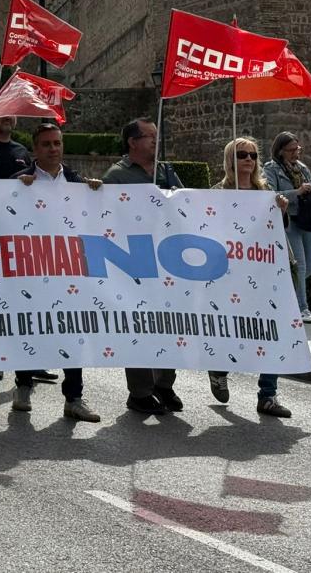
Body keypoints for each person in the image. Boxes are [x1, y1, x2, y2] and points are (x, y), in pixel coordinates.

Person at [7, 123, 103, 422]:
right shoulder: (18, 182)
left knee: (72, 331)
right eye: (46, 144)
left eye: (57, 143)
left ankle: (74, 397)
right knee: (31, 326)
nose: (53, 149)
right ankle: (23, 386)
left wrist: (97, 192)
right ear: (35, 150)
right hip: (31, 270)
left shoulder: (78, 181)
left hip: (68, 271)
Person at [102, 117, 184, 415]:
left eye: (156, 136)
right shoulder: (116, 176)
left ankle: (164, 383)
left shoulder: (166, 171)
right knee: (139, 326)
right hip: (134, 261)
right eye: (149, 136)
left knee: (171, 324)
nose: (154, 141)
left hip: (168, 262)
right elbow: (106, 218)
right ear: (132, 142)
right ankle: (139, 392)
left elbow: (185, 206)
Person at [208, 137, 294, 418]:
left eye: (253, 155)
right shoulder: (218, 192)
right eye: (242, 154)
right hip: (229, 275)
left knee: (272, 329)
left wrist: (280, 210)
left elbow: (276, 231)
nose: (249, 159)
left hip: (262, 273)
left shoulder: (264, 191)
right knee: (233, 326)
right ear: (230, 159)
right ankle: (219, 367)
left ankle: (267, 395)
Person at [264, 132, 311, 325]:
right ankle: (302, 307)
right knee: (300, 265)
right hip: (290, 220)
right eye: (291, 150)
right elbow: (271, 194)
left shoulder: (302, 168)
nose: (296, 153)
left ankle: (283, 290)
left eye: (298, 149)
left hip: (307, 220)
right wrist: (297, 192)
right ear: (280, 151)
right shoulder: (271, 168)